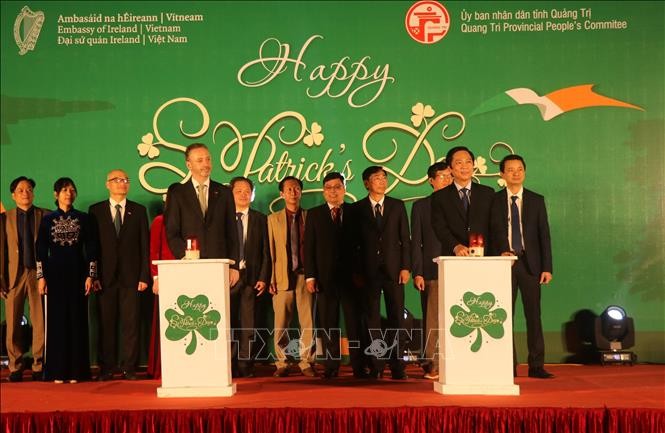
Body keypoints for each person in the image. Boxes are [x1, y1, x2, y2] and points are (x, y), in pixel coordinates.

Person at [490, 154, 554, 379]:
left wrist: (547, 267)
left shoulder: (536, 200)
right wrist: (500, 251)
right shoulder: (494, 201)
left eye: (519, 169)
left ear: (524, 172)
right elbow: (491, 233)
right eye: (510, 169)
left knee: (533, 316)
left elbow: (544, 236)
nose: (515, 173)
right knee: (504, 316)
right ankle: (508, 365)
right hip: (504, 265)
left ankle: (536, 365)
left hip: (530, 265)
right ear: (502, 175)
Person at [348, 166, 411, 380]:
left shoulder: (397, 206)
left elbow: (405, 240)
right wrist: (356, 272)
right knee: (372, 320)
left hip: (394, 271)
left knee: (397, 319)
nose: (382, 181)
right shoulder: (356, 209)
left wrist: (406, 267)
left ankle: (397, 366)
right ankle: (376, 365)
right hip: (368, 273)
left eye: (384, 177)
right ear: (367, 183)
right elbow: (352, 244)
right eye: (377, 178)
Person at [304, 172, 367, 379]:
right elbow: (309, 247)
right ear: (323, 191)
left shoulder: (356, 211)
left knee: (354, 324)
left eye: (337, 187)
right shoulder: (314, 214)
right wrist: (310, 276)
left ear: (344, 189)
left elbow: (363, 246)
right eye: (329, 187)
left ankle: (359, 366)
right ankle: (331, 367)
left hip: (353, 279)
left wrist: (361, 273)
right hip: (324, 279)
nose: (333, 191)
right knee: (328, 324)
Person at [88, 169, 150, 381]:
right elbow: (92, 248)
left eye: (125, 180)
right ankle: (106, 368)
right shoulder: (95, 211)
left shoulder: (139, 211)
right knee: (106, 324)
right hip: (104, 279)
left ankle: (129, 368)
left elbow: (145, 246)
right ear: (107, 184)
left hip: (132, 278)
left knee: (131, 325)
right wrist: (93, 276)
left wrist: (144, 276)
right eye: (117, 180)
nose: (122, 183)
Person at [36, 177, 97, 383]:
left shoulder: (84, 218)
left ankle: (77, 371)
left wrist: (91, 274)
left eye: (72, 190)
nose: (68, 193)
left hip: (78, 274)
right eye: (64, 190)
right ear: (56, 194)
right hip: (55, 276)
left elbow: (91, 249)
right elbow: (41, 250)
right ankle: (57, 371)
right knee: (57, 322)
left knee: (77, 321)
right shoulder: (47, 219)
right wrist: (41, 277)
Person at [164, 143, 239, 286]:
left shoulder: (224, 192)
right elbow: (172, 232)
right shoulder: (177, 193)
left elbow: (232, 233)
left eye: (208, 159)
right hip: (189, 266)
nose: (206, 164)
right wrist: (185, 257)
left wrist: (234, 266)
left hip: (220, 265)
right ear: (188, 165)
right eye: (200, 160)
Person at [267, 176, 316, 377]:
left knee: (308, 323)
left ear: (301, 192)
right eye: (288, 189)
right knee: (281, 324)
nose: (293, 192)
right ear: (282, 194)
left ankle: (306, 362)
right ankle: (282, 362)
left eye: (296, 188)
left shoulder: (310, 217)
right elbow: (269, 251)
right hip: (281, 277)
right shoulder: (272, 219)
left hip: (306, 277)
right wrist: (270, 278)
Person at [410, 162, 453, 380]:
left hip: (459, 269)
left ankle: (455, 362)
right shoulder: (421, 206)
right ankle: (432, 363)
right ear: (431, 181)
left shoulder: (461, 203)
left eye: (449, 175)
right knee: (432, 320)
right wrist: (417, 272)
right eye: (442, 176)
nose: (447, 179)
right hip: (431, 271)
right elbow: (416, 242)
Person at [1, 177, 46, 382]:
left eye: (29, 189)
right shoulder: (4, 218)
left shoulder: (44, 215)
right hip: (13, 275)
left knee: (39, 321)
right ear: (13, 195)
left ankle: (38, 365)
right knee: (13, 324)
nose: (25, 192)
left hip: (37, 275)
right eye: (20, 190)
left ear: (33, 193)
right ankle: (15, 366)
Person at [229, 177, 271, 378]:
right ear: (231, 193)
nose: (244, 195)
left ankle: (245, 364)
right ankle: (228, 364)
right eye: (239, 191)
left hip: (252, 279)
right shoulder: (223, 218)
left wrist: (264, 277)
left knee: (248, 325)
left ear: (253, 195)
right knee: (228, 324)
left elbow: (266, 252)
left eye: (248, 191)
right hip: (227, 278)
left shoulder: (261, 219)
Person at [431, 146, 494, 256]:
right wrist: (455, 246)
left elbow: (495, 225)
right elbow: (440, 227)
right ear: (450, 168)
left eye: (468, 162)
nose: (464, 166)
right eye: (459, 163)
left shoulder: (488, 193)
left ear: (473, 166)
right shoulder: (440, 197)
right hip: (453, 257)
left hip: (485, 257)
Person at [146, 197, 175, 380]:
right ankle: (160, 367)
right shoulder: (159, 221)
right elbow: (154, 250)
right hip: (166, 277)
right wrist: (156, 277)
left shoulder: (188, 222)